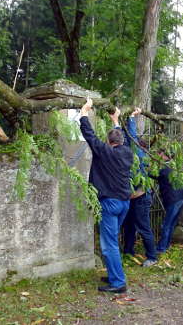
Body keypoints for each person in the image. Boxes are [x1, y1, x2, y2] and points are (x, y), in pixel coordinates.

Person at [79, 99, 133, 293]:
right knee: (112, 241)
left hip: (109, 204)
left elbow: (90, 136)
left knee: (109, 244)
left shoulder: (105, 152)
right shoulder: (127, 152)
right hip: (124, 204)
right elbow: (123, 137)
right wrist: (116, 120)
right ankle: (113, 274)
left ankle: (118, 283)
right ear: (120, 142)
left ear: (109, 142)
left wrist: (84, 113)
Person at [122, 108, 158, 267]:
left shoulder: (139, 155)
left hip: (141, 198)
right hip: (132, 197)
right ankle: (128, 250)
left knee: (143, 227)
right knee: (129, 224)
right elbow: (126, 137)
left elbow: (132, 136)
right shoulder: (131, 155)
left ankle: (152, 257)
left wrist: (131, 118)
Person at [151, 151, 183, 255]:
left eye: (160, 154)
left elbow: (152, 174)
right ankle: (166, 245)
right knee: (171, 223)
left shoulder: (164, 168)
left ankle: (161, 248)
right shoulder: (174, 165)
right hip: (181, 198)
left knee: (166, 224)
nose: (158, 156)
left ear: (166, 156)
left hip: (173, 199)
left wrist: (145, 166)